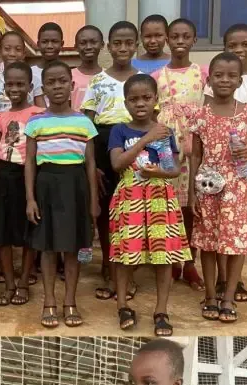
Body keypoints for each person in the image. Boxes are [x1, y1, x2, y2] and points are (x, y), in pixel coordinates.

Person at [108, 74, 189, 336]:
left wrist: (157, 172)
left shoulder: (164, 132)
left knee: (163, 257)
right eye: (134, 99)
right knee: (125, 256)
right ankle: (122, 306)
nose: (140, 103)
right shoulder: (120, 130)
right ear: (126, 103)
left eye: (146, 98)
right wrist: (145, 139)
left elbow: (172, 169)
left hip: (159, 198)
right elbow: (117, 164)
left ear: (156, 99)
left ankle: (161, 311)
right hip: (130, 196)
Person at [27, 61, 100, 329]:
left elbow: (90, 164)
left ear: (72, 85)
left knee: (72, 248)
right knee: (48, 248)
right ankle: (49, 300)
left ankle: (70, 301)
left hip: (75, 186)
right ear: (43, 88)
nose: (57, 86)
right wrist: (30, 198)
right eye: (51, 82)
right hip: (46, 184)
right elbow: (29, 162)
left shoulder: (84, 122)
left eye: (62, 81)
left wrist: (93, 200)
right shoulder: (35, 122)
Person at [189, 52, 247, 324]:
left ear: (239, 81)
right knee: (208, 242)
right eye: (218, 75)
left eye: (231, 75)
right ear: (209, 80)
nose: (224, 80)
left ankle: (228, 298)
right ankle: (211, 296)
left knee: (235, 243)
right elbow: (195, 155)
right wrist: (192, 191)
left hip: (238, 186)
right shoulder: (200, 115)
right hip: (207, 187)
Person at [82, 21, 139, 302]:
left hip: (135, 144)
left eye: (129, 43)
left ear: (136, 45)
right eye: (117, 43)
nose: (123, 48)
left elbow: (151, 120)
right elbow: (87, 128)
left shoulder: (143, 80)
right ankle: (108, 263)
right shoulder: (97, 81)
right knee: (106, 212)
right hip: (103, 144)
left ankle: (128, 271)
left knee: (132, 212)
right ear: (108, 46)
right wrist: (92, 165)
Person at [155, 18, 209, 293]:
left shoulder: (203, 73)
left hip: (196, 143)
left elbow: (208, 108)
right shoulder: (158, 76)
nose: (179, 41)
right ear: (167, 39)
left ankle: (189, 262)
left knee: (192, 204)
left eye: (185, 36)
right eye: (174, 36)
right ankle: (171, 258)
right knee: (169, 202)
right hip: (167, 144)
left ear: (194, 40)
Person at [0, 62, 44, 307]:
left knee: (28, 231)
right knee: (2, 233)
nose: (15, 89)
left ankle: (23, 283)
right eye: (10, 84)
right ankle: (9, 284)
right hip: (4, 175)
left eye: (20, 84)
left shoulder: (39, 114)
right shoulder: (0, 116)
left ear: (30, 87)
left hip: (28, 175)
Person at [0, 31, 44, 113]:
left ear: (24, 53)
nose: (12, 54)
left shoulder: (34, 80)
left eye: (18, 49)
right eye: (7, 49)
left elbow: (42, 112)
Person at [32, 23, 65, 107]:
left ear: (62, 44)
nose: (49, 46)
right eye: (45, 42)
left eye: (54, 41)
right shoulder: (30, 73)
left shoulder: (67, 73)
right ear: (38, 44)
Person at [72, 26, 104, 112]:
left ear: (102, 45)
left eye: (93, 42)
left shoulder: (109, 77)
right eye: (83, 43)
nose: (88, 47)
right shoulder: (68, 77)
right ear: (76, 47)